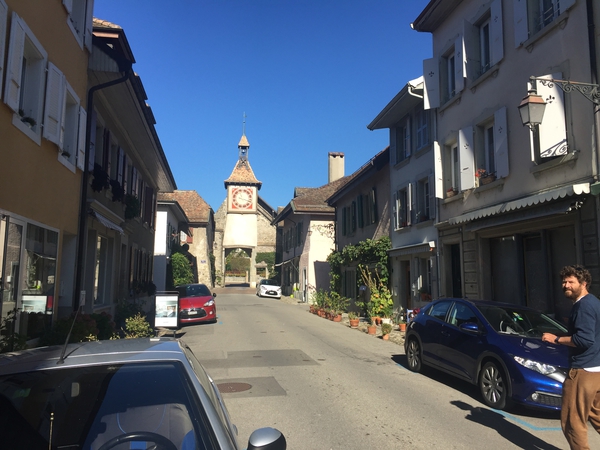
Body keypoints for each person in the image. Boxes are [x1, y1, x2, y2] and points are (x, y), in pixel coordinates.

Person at [542, 265, 600, 450]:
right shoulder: (594, 302)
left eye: (571, 282)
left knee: (572, 422)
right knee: (597, 415)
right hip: (596, 369)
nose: (566, 285)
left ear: (583, 283)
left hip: (583, 371)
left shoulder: (584, 306)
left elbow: (584, 340)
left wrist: (556, 339)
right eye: (564, 281)